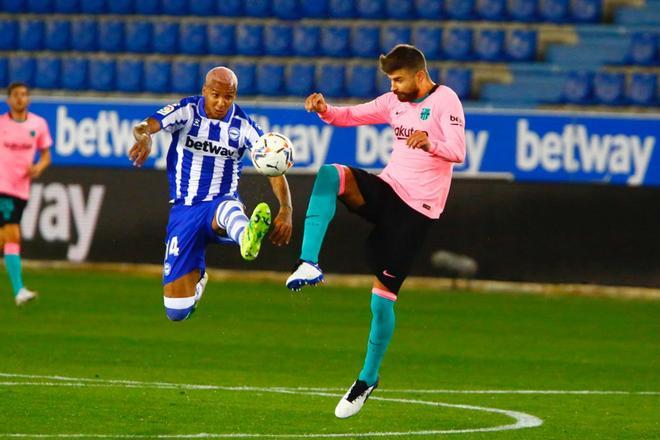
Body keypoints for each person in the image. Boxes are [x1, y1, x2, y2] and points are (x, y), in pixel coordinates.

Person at [286, 45, 466, 418]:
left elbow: (458, 151)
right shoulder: (393, 101)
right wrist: (324, 110)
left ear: (419, 75)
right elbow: (350, 115)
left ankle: (366, 380)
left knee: (380, 302)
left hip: (416, 212)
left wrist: (430, 143)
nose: (394, 88)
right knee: (330, 174)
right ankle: (308, 262)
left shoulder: (446, 99)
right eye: (390, 81)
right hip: (388, 190)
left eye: (399, 80)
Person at [129, 66, 292, 321]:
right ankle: (199, 277)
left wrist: (286, 209)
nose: (221, 102)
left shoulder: (244, 126)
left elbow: (273, 164)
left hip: (220, 204)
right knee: (176, 312)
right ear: (205, 90)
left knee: (228, 209)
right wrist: (145, 138)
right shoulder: (187, 111)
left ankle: (247, 237)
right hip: (185, 211)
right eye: (215, 95)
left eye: (228, 97)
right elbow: (144, 125)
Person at [0, 82, 52, 306]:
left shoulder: (38, 124)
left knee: (6, 238)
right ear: (9, 100)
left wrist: (38, 168)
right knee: (13, 235)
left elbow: (46, 155)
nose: (20, 98)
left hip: (22, 188)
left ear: (28, 99)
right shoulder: (1, 124)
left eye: (24, 95)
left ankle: (19, 290)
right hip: (3, 187)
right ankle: (19, 290)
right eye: (16, 95)